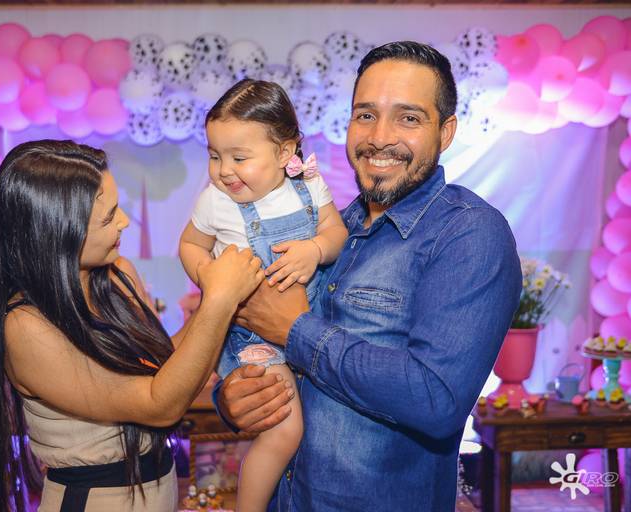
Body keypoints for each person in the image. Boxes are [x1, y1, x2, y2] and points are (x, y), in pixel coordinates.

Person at [217, 42, 523, 510]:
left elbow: (436, 400)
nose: (380, 137)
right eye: (365, 115)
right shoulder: (329, 231)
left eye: (408, 118)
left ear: (445, 132)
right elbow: (263, 346)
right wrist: (234, 396)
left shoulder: (469, 234)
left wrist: (296, 330)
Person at [0, 140, 264, 511]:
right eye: (108, 217)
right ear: (56, 233)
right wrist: (219, 301)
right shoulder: (27, 326)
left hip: (157, 487)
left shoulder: (117, 275)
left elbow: (164, 368)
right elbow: (159, 404)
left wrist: (221, 306)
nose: (124, 221)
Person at [178, 79, 348, 512]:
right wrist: (209, 277)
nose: (224, 170)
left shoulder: (309, 186)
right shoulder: (216, 201)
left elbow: (336, 232)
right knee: (283, 431)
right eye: (214, 156)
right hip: (252, 336)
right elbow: (191, 244)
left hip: (310, 323)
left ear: (285, 152)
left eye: (239, 158)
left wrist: (315, 249)